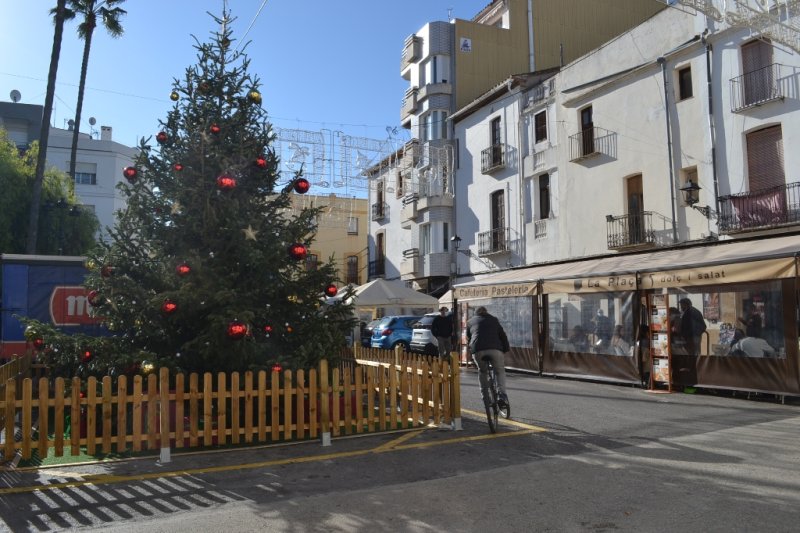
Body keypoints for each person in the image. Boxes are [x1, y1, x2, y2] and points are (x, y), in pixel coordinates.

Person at [467, 306, 510, 407]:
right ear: (486, 312)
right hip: (495, 349)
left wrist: (471, 352)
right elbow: (503, 336)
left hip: (477, 350)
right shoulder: (494, 320)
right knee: (499, 371)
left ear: (476, 313)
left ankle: (485, 397)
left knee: (482, 371)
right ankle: (501, 395)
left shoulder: (470, 322)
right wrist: (506, 349)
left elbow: (469, 338)